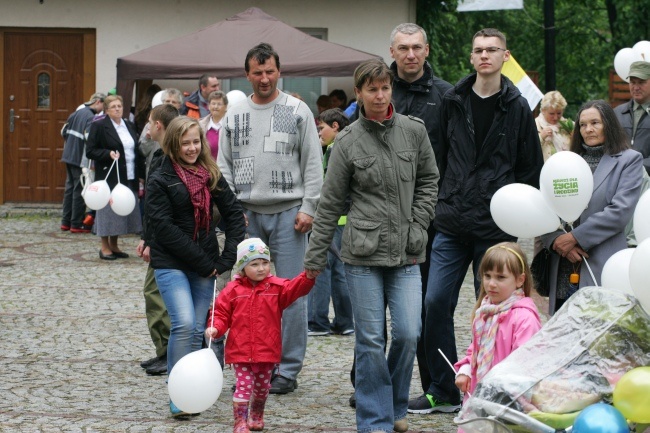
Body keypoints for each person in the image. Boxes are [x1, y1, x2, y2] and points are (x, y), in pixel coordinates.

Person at [411, 28, 543, 414]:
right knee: (434, 303)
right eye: (479, 50)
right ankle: (445, 386)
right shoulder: (452, 100)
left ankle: (495, 389)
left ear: (505, 56)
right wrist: (440, 198)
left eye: (492, 50)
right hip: (451, 220)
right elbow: (437, 157)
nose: (485, 55)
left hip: (496, 225)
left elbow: (530, 168)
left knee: (495, 308)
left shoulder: (517, 106)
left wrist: (513, 206)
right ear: (471, 57)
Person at [304, 58, 439, 433]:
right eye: (372, 90)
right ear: (359, 94)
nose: (380, 96)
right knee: (370, 338)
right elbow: (329, 204)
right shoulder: (347, 141)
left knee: (409, 332)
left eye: (385, 88)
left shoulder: (414, 131)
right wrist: (314, 262)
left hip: (408, 250)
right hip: (362, 253)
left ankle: (395, 403)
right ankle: (375, 419)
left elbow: (430, 180)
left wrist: (420, 221)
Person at [218, 43, 323, 395]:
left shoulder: (297, 110)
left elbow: (312, 161)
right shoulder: (234, 113)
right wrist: (234, 212)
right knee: (244, 293)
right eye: (257, 72)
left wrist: (310, 206)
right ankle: (249, 361)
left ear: (280, 71)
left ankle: (288, 369)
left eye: (270, 72)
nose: (264, 78)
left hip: (290, 213)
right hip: (247, 214)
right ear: (247, 74)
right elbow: (224, 166)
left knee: (291, 293)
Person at [145, 116, 246, 416]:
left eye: (196, 142)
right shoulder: (160, 176)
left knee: (197, 331)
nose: (191, 148)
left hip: (206, 264)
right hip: (171, 262)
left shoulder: (210, 173)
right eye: (185, 142)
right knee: (185, 323)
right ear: (174, 144)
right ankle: (178, 393)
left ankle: (192, 389)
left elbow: (233, 213)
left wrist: (227, 258)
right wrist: (205, 261)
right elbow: (162, 227)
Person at [389, 22, 453, 408]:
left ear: (427, 50)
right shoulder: (377, 90)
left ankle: (437, 386)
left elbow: (454, 155)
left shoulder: (446, 95)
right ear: (392, 51)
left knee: (429, 306)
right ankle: (373, 381)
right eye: (403, 48)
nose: (410, 54)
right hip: (379, 216)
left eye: (416, 47)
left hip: (428, 218)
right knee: (375, 308)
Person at [541, 100, 643, 314]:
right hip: (563, 264)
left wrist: (574, 238)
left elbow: (619, 212)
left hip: (601, 262)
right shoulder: (565, 161)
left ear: (609, 124)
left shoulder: (629, 160)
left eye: (595, 123)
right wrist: (556, 241)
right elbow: (544, 207)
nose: (588, 129)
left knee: (597, 329)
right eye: (583, 124)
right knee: (562, 331)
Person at [205, 238, 316, 433]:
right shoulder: (232, 290)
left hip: (267, 349)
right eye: (254, 264)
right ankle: (240, 422)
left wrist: (307, 277)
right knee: (244, 385)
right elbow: (220, 312)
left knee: (263, 388)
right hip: (240, 350)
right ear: (242, 267)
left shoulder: (276, 287)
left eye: (265, 263)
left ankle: (256, 415)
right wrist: (215, 327)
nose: (261, 268)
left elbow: (294, 288)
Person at [454, 242, 541, 403]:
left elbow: (525, 365)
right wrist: (466, 370)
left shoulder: (524, 319)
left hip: (508, 401)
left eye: (500, 277)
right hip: (478, 395)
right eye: (487, 276)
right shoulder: (485, 311)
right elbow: (475, 350)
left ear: (520, 280)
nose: (491, 283)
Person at [136, 103, 179, 376]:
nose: (148, 127)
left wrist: (151, 239)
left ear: (159, 126)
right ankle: (164, 351)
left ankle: (168, 352)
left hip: (167, 239)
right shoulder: (160, 153)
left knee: (156, 294)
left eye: (150, 122)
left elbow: (160, 207)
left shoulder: (167, 157)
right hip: (161, 236)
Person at [307, 108, 353, 337]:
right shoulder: (348, 146)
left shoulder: (334, 150)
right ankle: (345, 321)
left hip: (330, 220)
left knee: (320, 269)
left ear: (335, 126)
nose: (319, 133)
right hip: (346, 220)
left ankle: (318, 321)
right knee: (342, 272)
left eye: (321, 128)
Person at [86, 94, 144, 260]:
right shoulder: (99, 125)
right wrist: (107, 153)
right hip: (109, 175)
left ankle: (114, 245)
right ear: (106, 110)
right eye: (114, 107)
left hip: (129, 173)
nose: (118, 109)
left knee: (121, 209)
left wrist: (140, 174)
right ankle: (104, 247)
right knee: (108, 211)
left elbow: (135, 149)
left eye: (120, 106)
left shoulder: (128, 124)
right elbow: (90, 151)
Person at [60, 92, 105, 233]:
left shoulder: (76, 113)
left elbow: (63, 131)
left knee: (69, 188)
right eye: (103, 105)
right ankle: (76, 224)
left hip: (68, 155)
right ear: (98, 101)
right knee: (79, 189)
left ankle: (65, 222)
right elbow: (89, 138)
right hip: (80, 157)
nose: (103, 110)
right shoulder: (91, 118)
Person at [614, 61, 650, 175]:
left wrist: (636, 167)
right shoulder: (617, 113)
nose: (636, 87)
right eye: (632, 82)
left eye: (641, 82)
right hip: (621, 181)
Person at [536, 90, 572, 161]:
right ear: (543, 110)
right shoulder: (534, 125)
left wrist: (575, 137)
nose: (555, 117)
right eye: (551, 114)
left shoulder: (569, 125)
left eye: (559, 113)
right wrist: (541, 137)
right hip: (544, 169)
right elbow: (526, 150)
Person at [198, 90, 228, 160]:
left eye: (219, 104)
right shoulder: (200, 125)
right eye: (213, 103)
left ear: (226, 107)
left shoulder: (231, 125)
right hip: (206, 167)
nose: (216, 107)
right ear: (209, 106)